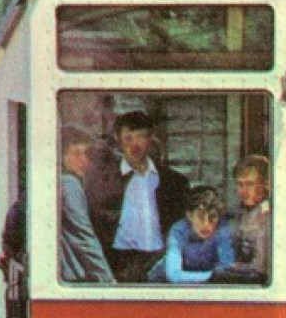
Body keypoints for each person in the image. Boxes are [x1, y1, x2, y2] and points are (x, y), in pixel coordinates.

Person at [94, 111, 190, 282]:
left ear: (150, 139)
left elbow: (182, 228)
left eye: (140, 137)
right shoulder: (103, 181)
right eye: (128, 138)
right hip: (118, 265)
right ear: (118, 139)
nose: (135, 145)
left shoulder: (175, 181)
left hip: (160, 263)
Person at [57, 130, 115, 283]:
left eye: (86, 154)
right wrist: (107, 281)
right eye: (76, 154)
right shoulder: (69, 184)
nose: (84, 160)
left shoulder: (59, 181)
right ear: (61, 156)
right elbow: (83, 236)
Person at [148, 186, 234, 283]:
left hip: (201, 283)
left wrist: (217, 276)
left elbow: (226, 270)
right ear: (189, 215)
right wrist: (212, 276)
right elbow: (174, 275)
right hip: (161, 284)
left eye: (212, 217)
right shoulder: (178, 231)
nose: (206, 224)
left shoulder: (222, 230)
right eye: (200, 217)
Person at [226, 154, 272, 279]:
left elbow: (260, 266)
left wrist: (234, 266)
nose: (243, 191)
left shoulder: (271, 216)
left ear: (266, 185)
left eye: (250, 184)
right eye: (239, 184)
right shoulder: (234, 214)